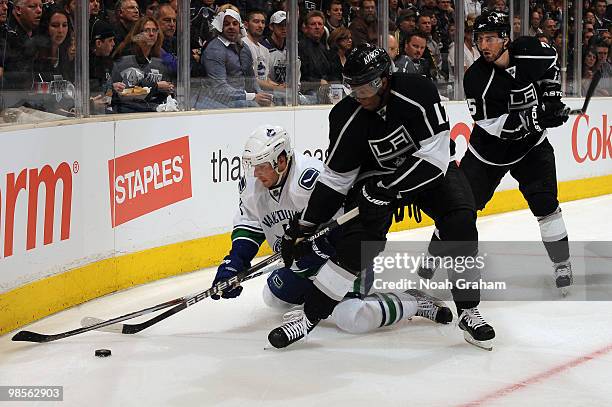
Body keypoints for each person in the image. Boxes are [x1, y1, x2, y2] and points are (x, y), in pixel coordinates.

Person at [271, 43, 495, 350]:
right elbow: (336, 179)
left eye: (369, 86)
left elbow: (436, 158)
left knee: (460, 221)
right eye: (354, 88)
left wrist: (389, 188)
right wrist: (305, 226)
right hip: (375, 180)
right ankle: (308, 317)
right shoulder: (346, 116)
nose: (361, 95)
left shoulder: (418, 92)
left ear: (385, 78)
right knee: (359, 242)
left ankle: (468, 310)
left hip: (428, 171)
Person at [210, 124, 452, 336]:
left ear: (281, 160)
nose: (256, 173)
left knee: (351, 318)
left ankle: (412, 301)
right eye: (253, 167)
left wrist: (315, 250)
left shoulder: (310, 178)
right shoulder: (253, 184)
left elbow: (346, 227)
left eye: (262, 167)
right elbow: (250, 224)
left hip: (343, 261)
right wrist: (235, 262)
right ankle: (321, 305)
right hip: (303, 264)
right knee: (273, 297)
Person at [458, 11, 572, 295]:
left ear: (505, 39)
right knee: (460, 211)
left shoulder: (531, 50)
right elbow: (497, 128)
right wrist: (538, 118)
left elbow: (551, 68)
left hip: (532, 148)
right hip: (487, 155)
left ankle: (562, 262)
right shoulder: (475, 80)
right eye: (479, 39)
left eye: (490, 39)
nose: (483, 45)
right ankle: (435, 256)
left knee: (546, 203)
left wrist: (551, 95)